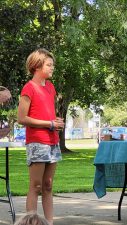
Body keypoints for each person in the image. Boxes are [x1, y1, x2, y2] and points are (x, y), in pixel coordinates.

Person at [18, 48, 65, 225]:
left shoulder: (51, 87)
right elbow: (22, 118)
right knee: (36, 186)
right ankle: (31, 223)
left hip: (53, 141)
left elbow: (46, 113)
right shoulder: (29, 88)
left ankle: (49, 223)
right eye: (49, 65)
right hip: (37, 142)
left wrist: (55, 121)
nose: (52, 68)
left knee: (48, 185)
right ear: (37, 66)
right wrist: (49, 124)